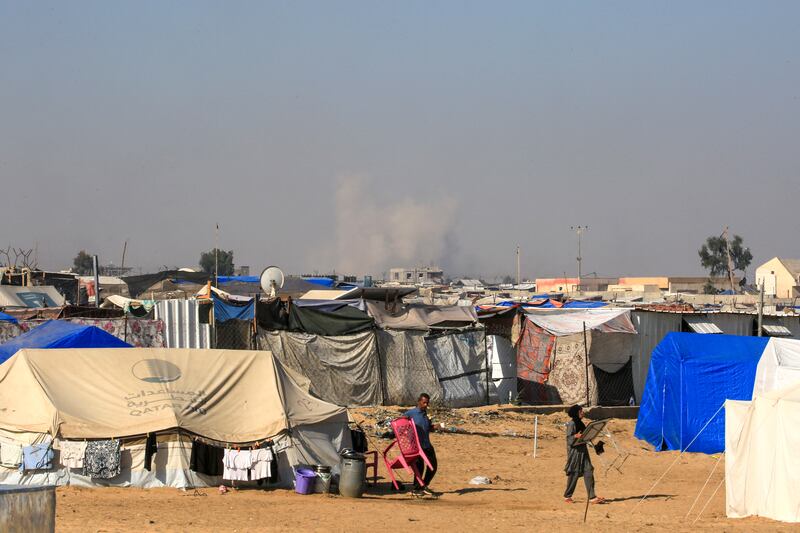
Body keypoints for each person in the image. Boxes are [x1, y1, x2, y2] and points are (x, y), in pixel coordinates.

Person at [563, 404, 604, 504]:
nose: (583, 413)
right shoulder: (572, 424)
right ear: (576, 413)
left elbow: (586, 437)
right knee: (574, 473)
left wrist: (595, 446)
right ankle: (567, 496)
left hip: (583, 451)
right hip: (575, 453)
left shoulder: (581, 423)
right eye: (581, 411)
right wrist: (575, 436)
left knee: (589, 470)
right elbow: (569, 439)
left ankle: (592, 497)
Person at [403, 393, 439, 497]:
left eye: (427, 403)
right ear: (419, 402)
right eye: (424, 402)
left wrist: (434, 427)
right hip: (416, 445)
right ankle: (417, 488)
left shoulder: (426, 414)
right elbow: (401, 423)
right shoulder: (411, 413)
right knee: (419, 467)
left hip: (426, 444)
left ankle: (424, 485)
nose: (426, 405)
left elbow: (428, 428)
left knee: (433, 466)